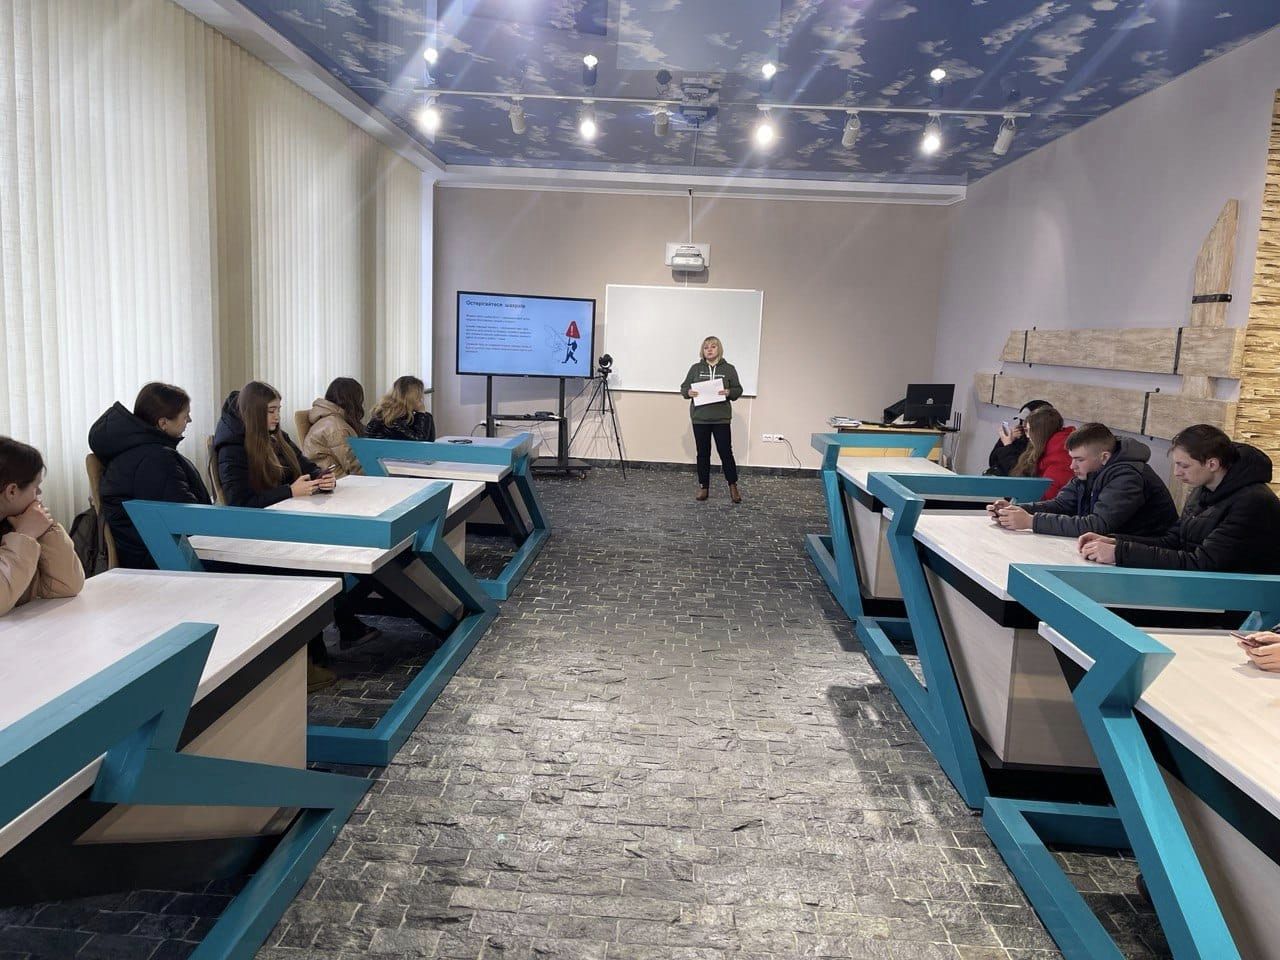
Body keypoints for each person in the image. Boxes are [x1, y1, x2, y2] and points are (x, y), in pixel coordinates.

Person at [1078, 424, 1280, 572]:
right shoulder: (1204, 489)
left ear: (1212, 464)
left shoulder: (1253, 502)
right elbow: (1173, 541)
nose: (1176, 473)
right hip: (1199, 588)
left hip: (1235, 600)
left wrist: (1120, 553)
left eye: (1184, 466)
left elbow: (1203, 563)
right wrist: (1115, 541)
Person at [88, 382, 212, 569]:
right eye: (185, 415)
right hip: (162, 559)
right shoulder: (155, 459)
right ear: (163, 423)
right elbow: (187, 520)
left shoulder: (137, 452)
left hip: (149, 553)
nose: (190, 420)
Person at [989, 422, 1177, 538]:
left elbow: (1097, 526)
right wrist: (1016, 510)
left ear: (1104, 457)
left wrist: (1031, 521)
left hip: (1142, 562)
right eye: (1072, 458)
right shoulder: (1090, 470)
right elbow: (1061, 504)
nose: (1072, 466)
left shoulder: (1128, 477)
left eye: (1079, 460)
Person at [214, 381, 333, 509]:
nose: (277, 417)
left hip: (290, 508)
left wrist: (322, 478)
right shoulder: (232, 448)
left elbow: (308, 468)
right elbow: (240, 503)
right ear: (255, 413)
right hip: (263, 518)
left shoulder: (277, 436)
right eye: (271, 411)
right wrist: (289, 491)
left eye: (278, 410)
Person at [1, 437, 85, 616]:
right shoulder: (21, 532)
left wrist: (45, 528)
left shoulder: (13, 522)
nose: (39, 494)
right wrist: (25, 535)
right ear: (12, 491)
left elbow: (66, 586)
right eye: (36, 487)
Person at [680, 336, 744, 503]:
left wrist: (729, 392)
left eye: (713, 346)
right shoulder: (695, 369)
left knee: (725, 452)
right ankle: (704, 487)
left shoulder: (729, 369)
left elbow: (738, 390)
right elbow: (684, 387)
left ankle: (733, 485)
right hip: (700, 418)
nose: (709, 349)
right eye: (706, 347)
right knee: (703, 453)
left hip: (721, 418)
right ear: (702, 351)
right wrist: (688, 392)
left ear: (719, 349)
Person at [302, 377, 366, 479]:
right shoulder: (336, 427)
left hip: (330, 478)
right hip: (336, 480)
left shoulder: (332, 421)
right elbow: (352, 466)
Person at [1009, 406, 1074, 499]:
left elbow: (1049, 495)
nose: (1027, 436)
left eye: (1028, 431)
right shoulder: (1049, 448)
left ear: (1039, 432)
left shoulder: (1061, 454)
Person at [987, 399, 1051, 476]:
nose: (1023, 425)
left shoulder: (1042, 445)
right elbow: (992, 461)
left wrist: (1007, 445)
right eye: (1022, 420)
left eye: (1027, 421)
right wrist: (1003, 441)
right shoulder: (1019, 436)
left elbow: (1017, 473)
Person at [367, 376, 435, 442]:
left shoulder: (406, 415)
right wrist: (421, 413)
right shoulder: (389, 418)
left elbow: (430, 440)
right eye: (418, 395)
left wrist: (425, 416)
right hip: (382, 450)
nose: (421, 398)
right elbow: (419, 441)